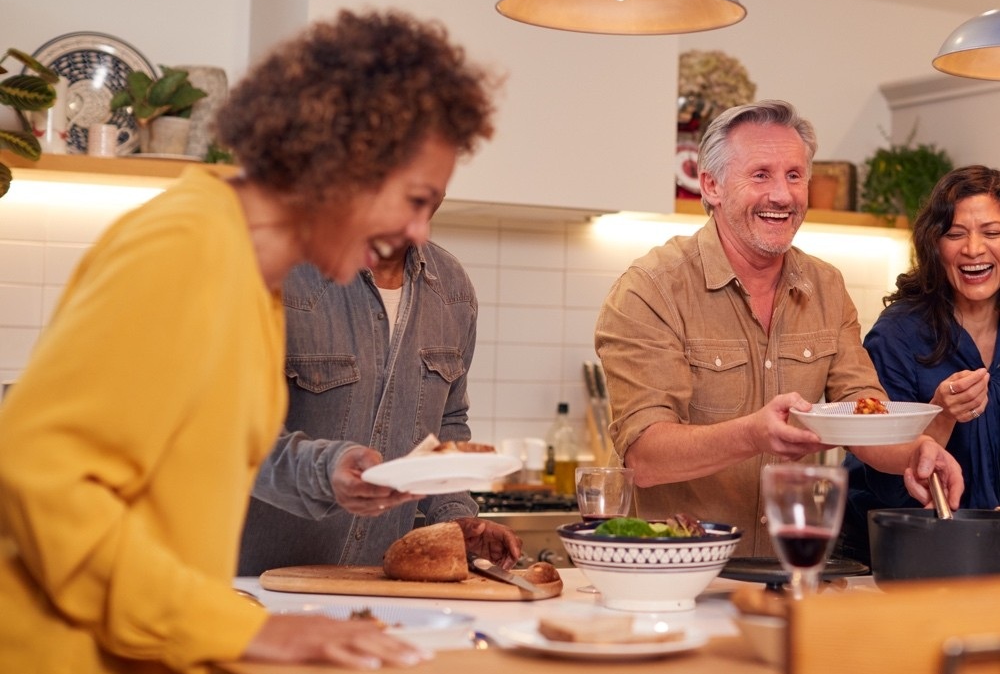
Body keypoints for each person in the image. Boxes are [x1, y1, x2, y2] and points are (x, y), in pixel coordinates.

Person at [0, 9, 498, 674]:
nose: (422, 231)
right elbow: (40, 477)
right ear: (339, 157)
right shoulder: (182, 249)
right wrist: (239, 627)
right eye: (416, 198)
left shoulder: (253, 283)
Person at [594, 99, 964, 557]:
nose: (782, 196)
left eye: (794, 175)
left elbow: (863, 415)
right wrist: (753, 433)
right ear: (711, 185)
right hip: (671, 569)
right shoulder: (651, 288)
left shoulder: (826, 286)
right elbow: (645, 457)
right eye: (760, 175)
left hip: (785, 573)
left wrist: (918, 453)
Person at [237, 232, 522, 575]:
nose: (419, 223)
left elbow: (447, 420)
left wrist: (453, 516)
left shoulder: (453, 287)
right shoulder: (275, 273)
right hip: (261, 583)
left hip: (375, 583)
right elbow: (235, 434)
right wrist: (325, 474)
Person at [840, 165, 999, 562]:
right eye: (955, 234)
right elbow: (890, 487)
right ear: (934, 244)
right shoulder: (897, 335)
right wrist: (941, 415)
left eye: (993, 233)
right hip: (899, 560)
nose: (974, 249)